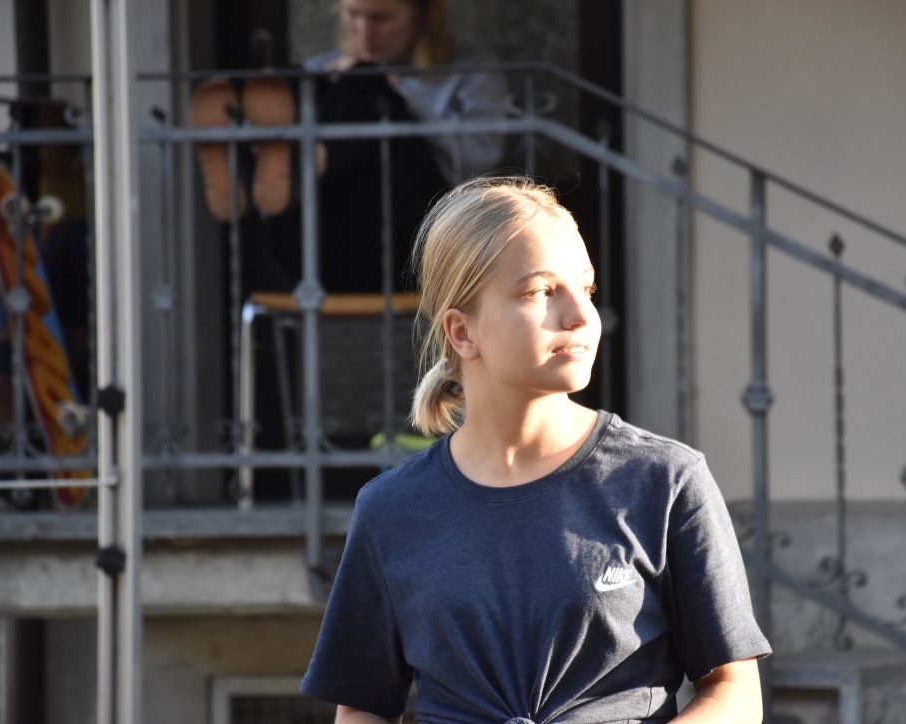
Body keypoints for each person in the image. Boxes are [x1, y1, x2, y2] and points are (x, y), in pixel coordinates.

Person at [299, 175, 772, 722]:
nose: (581, 316)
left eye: (587, 289)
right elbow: (361, 710)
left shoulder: (665, 480)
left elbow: (735, 693)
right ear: (462, 332)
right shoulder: (389, 510)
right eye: (541, 292)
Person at [293, 0, 508, 293]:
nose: (364, 31)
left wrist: (399, 94)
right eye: (352, 15)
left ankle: (302, 164)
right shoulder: (324, 67)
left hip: (425, 223)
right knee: (315, 84)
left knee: (366, 86)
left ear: (421, 15)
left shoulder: (471, 71)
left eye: (381, 19)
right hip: (334, 223)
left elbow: (477, 159)